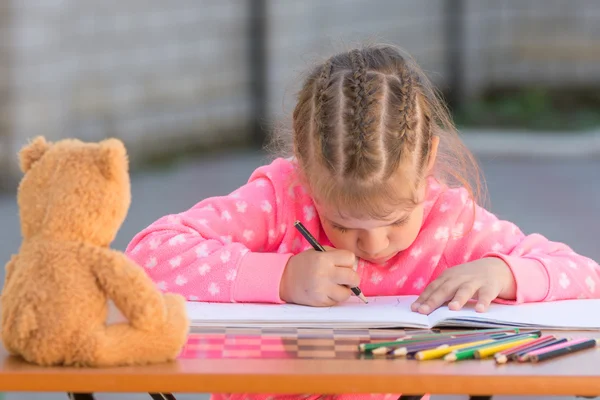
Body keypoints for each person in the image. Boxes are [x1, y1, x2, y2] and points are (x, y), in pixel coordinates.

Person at [125, 44, 600, 400]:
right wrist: (282, 277)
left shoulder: (449, 222)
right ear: (307, 172)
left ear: (428, 161)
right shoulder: (281, 199)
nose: (373, 245)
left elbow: (584, 275)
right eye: (341, 223)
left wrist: (504, 272)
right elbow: (148, 255)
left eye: (394, 220)